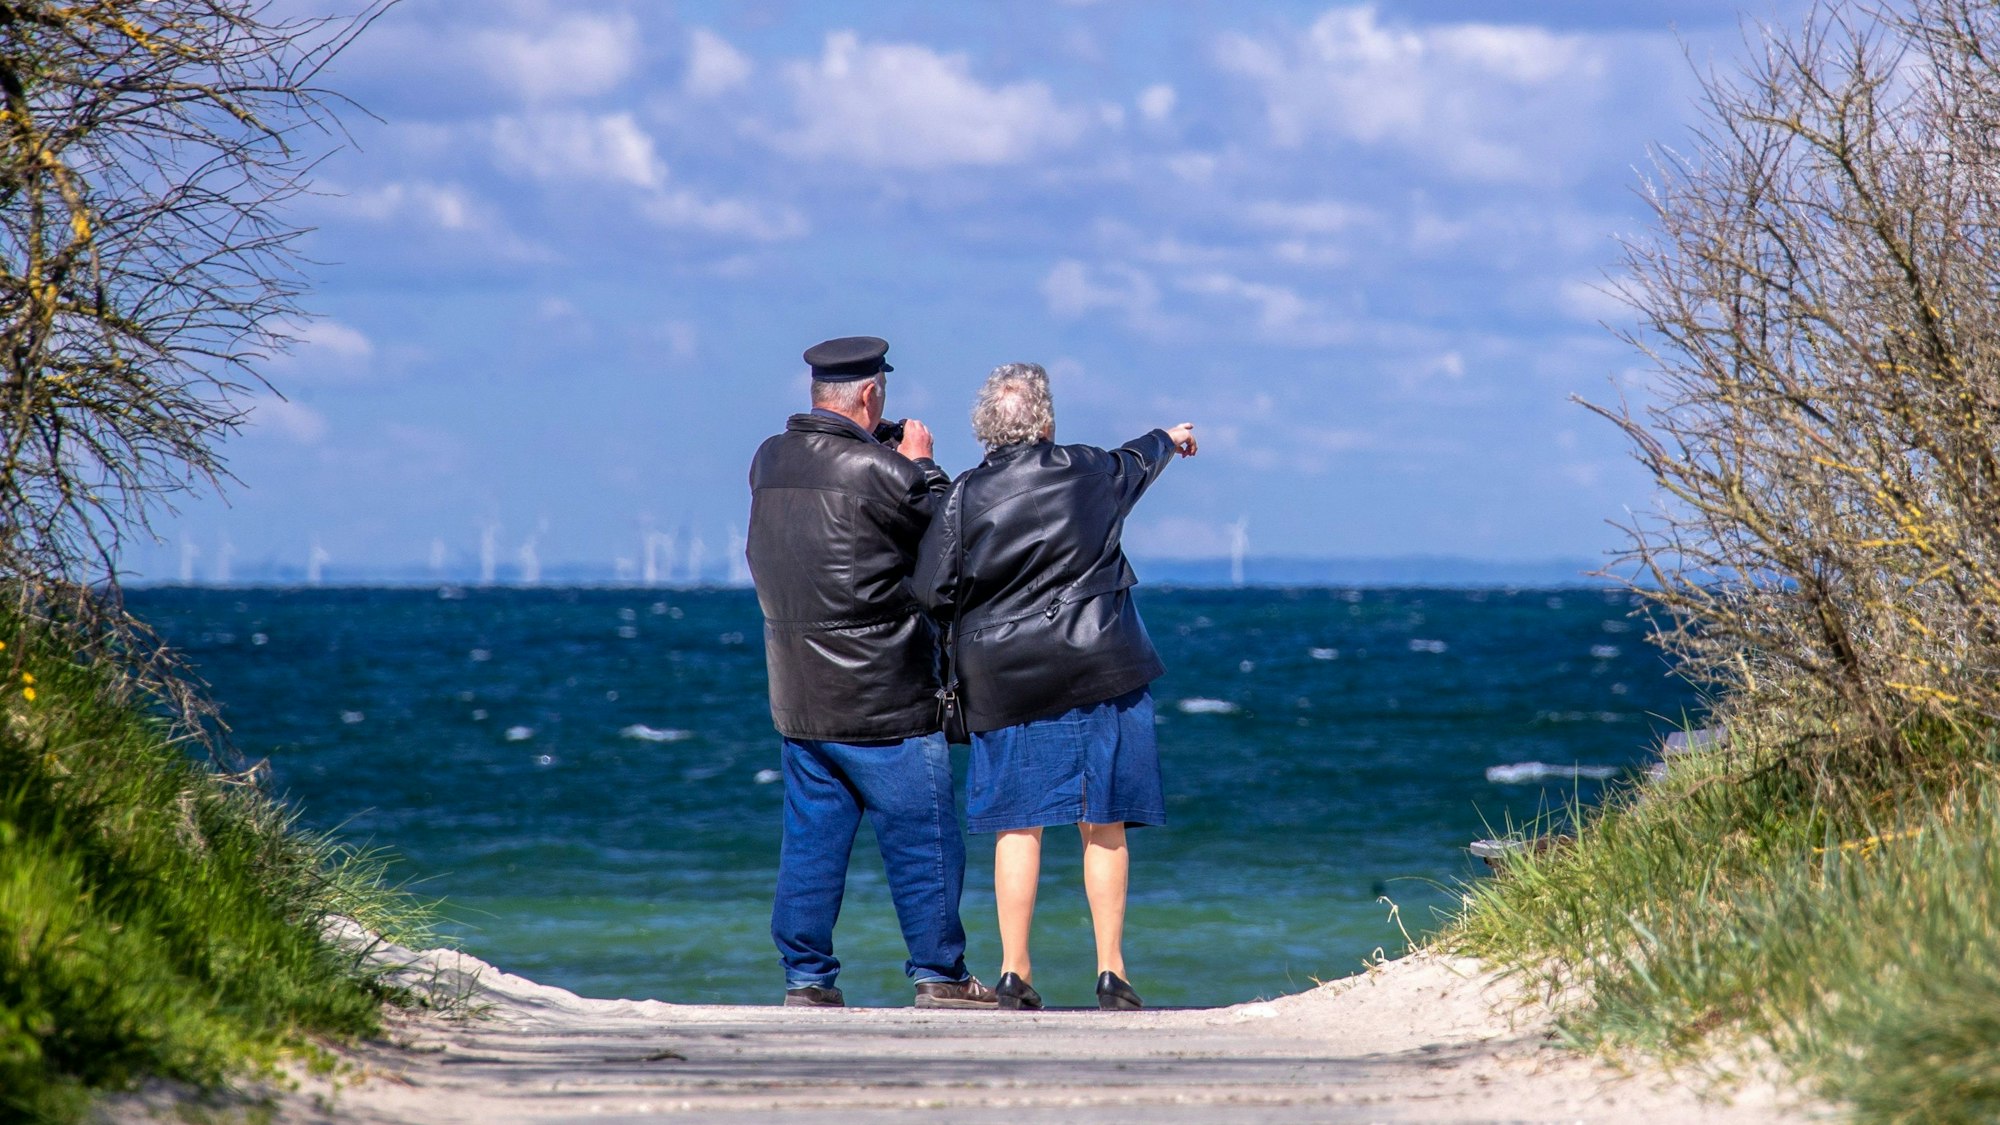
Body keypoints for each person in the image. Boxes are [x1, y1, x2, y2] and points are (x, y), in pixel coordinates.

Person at [913, 362, 1197, 1012]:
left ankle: (1013, 971)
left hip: (1006, 681)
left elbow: (931, 589)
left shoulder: (964, 496)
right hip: (1104, 666)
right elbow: (1138, 460)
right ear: (1045, 421)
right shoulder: (1090, 468)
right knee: (1104, 822)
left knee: (1020, 824)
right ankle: (1111, 970)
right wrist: (1170, 436)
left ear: (987, 426)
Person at [745, 335, 997, 1010]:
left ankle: (806, 978)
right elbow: (952, 531)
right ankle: (939, 974)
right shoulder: (881, 472)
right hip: (885, 693)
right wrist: (921, 463)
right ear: (870, 394)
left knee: (811, 845)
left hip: (800, 693)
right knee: (925, 841)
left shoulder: (769, 459)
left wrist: (886, 459)